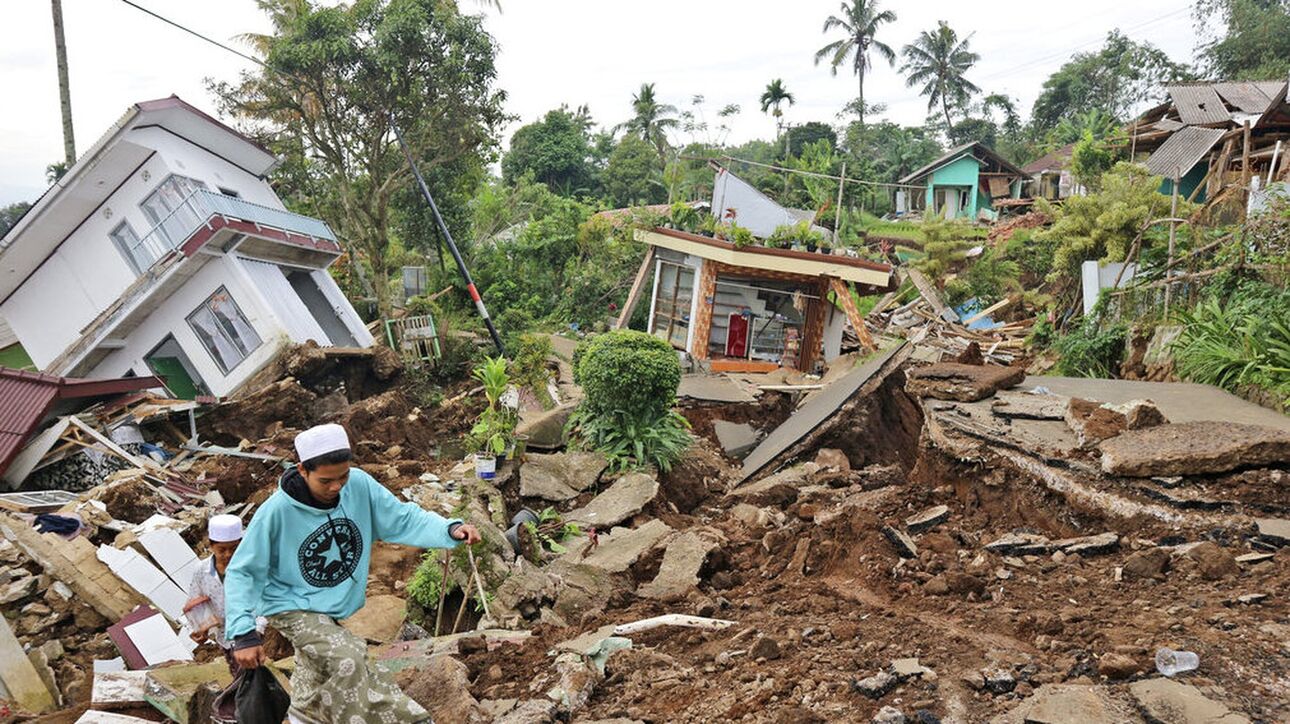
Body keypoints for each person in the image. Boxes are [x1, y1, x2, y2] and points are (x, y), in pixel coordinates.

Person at [224, 423, 480, 723]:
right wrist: (242, 633)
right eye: (326, 481)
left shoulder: (358, 485)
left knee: (323, 662)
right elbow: (243, 571)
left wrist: (448, 528)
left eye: (342, 476)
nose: (336, 487)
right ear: (302, 470)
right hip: (290, 605)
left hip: (330, 605)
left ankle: (305, 712)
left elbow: (402, 518)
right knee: (349, 658)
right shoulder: (276, 512)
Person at [182, 514, 265, 674]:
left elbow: (266, 600)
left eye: (234, 549)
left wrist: (256, 631)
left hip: (254, 636)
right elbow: (195, 601)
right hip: (225, 638)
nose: (228, 555)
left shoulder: (253, 568)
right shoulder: (201, 571)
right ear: (211, 546)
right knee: (239, 677)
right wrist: (200, 628)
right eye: (222, 549)